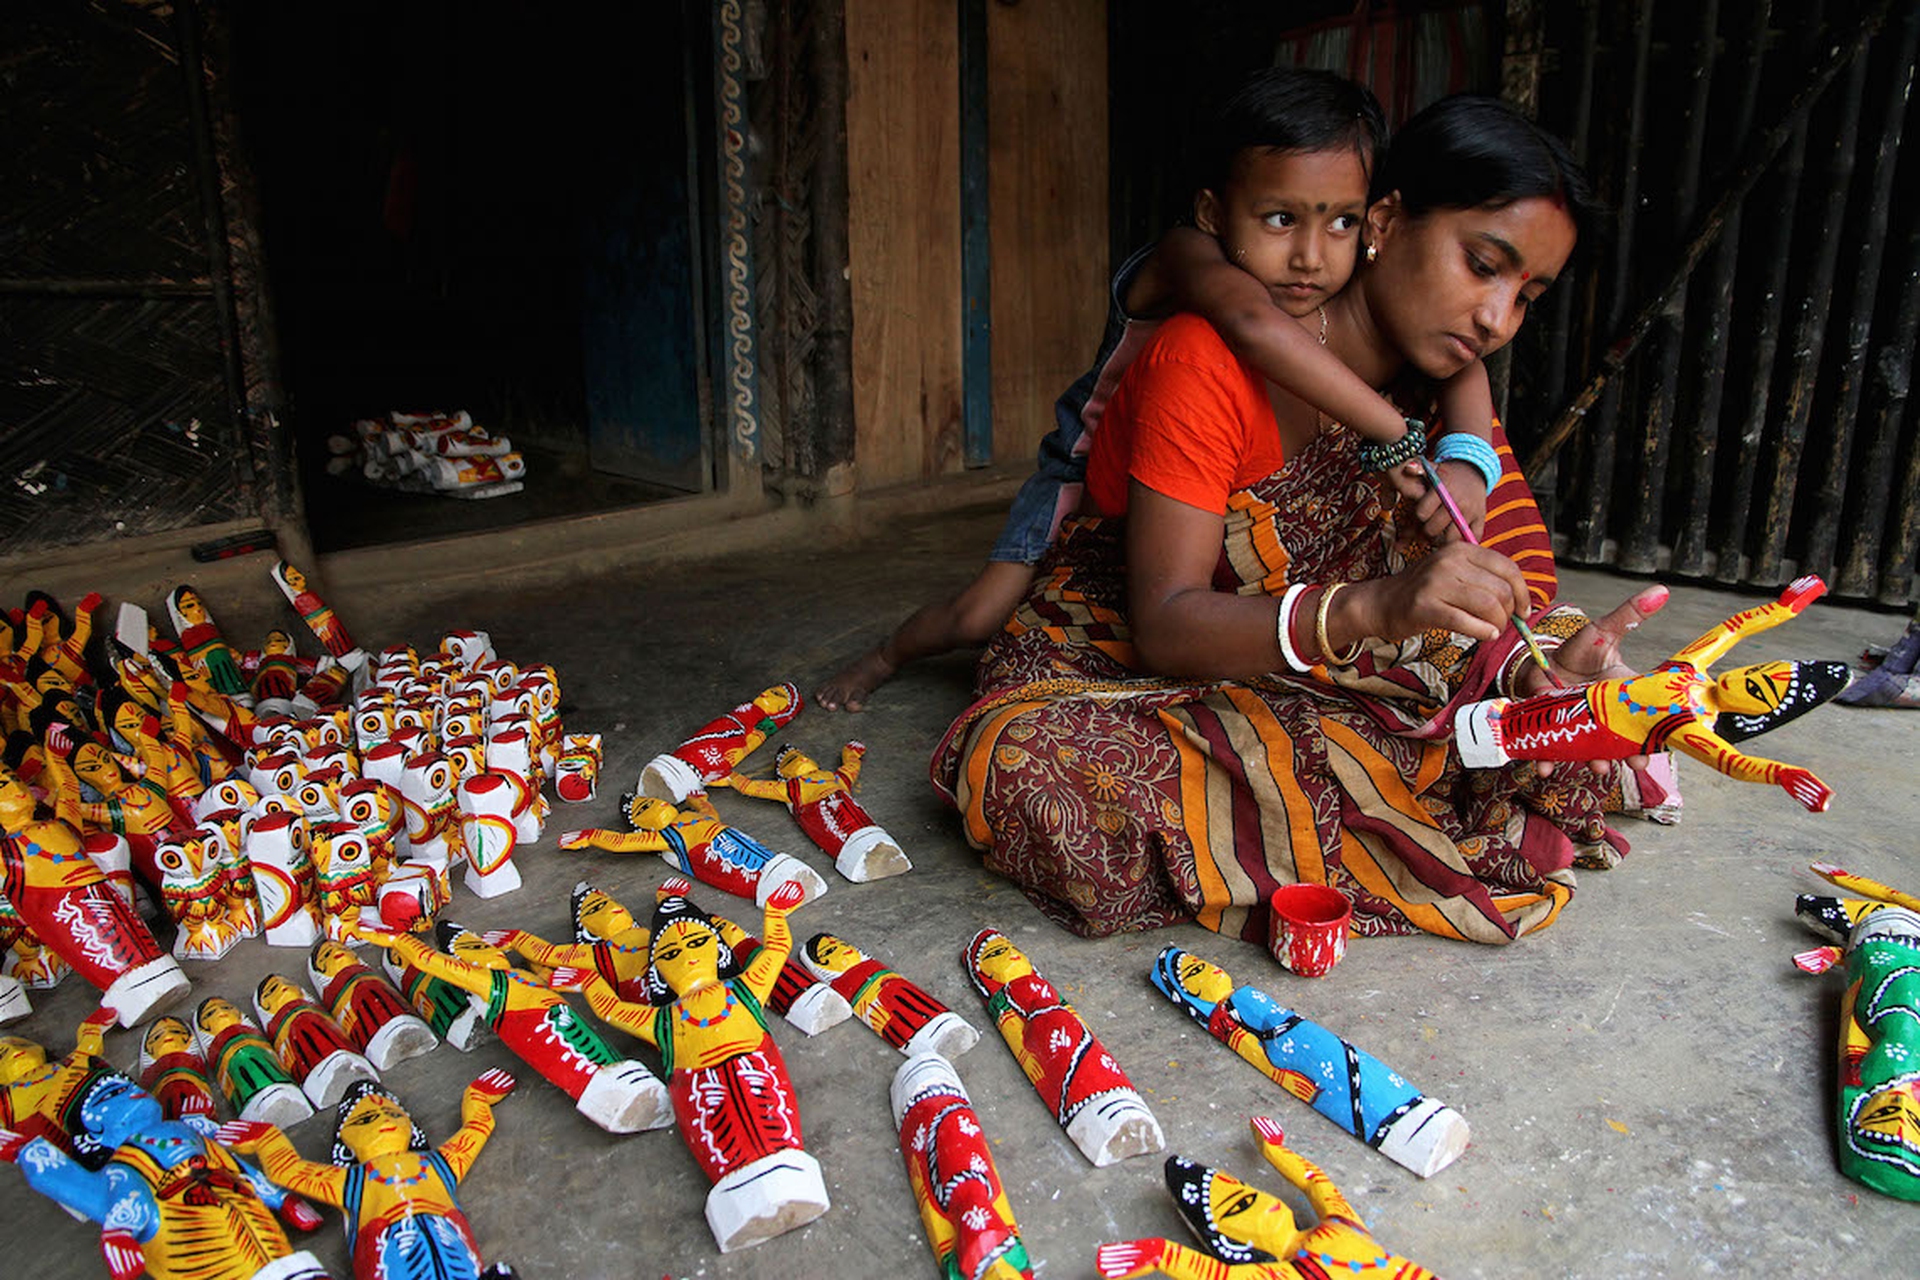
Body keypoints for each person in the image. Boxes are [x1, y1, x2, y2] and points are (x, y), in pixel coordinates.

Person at [933, 94, 1650, 946]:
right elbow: (1164, 626)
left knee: (1566, 683)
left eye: (1527, 294)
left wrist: (1526, 665)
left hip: (1336, 660)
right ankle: (1405, 775)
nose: (1498, 319)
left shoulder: (1447, 394)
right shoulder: (1201, 361)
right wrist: (1370, 609)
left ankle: (1422, 755)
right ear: (1384, 219)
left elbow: (1473, 586)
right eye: (1482, 265)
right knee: (1024, 763)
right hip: (1142, 642)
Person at [818, 68, 1525, 711]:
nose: (1312, 255)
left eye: (1340, 220)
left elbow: (1462, 370)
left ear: (1372, 220)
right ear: (1216, 213)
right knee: (980, 613)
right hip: (1082, 461)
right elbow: (1251, 325)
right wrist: (1386, 428)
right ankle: (886, 655)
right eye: (1281, 219)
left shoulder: (1377, 307)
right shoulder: (1190, 254)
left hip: (1175, 484)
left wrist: (1468, 457)